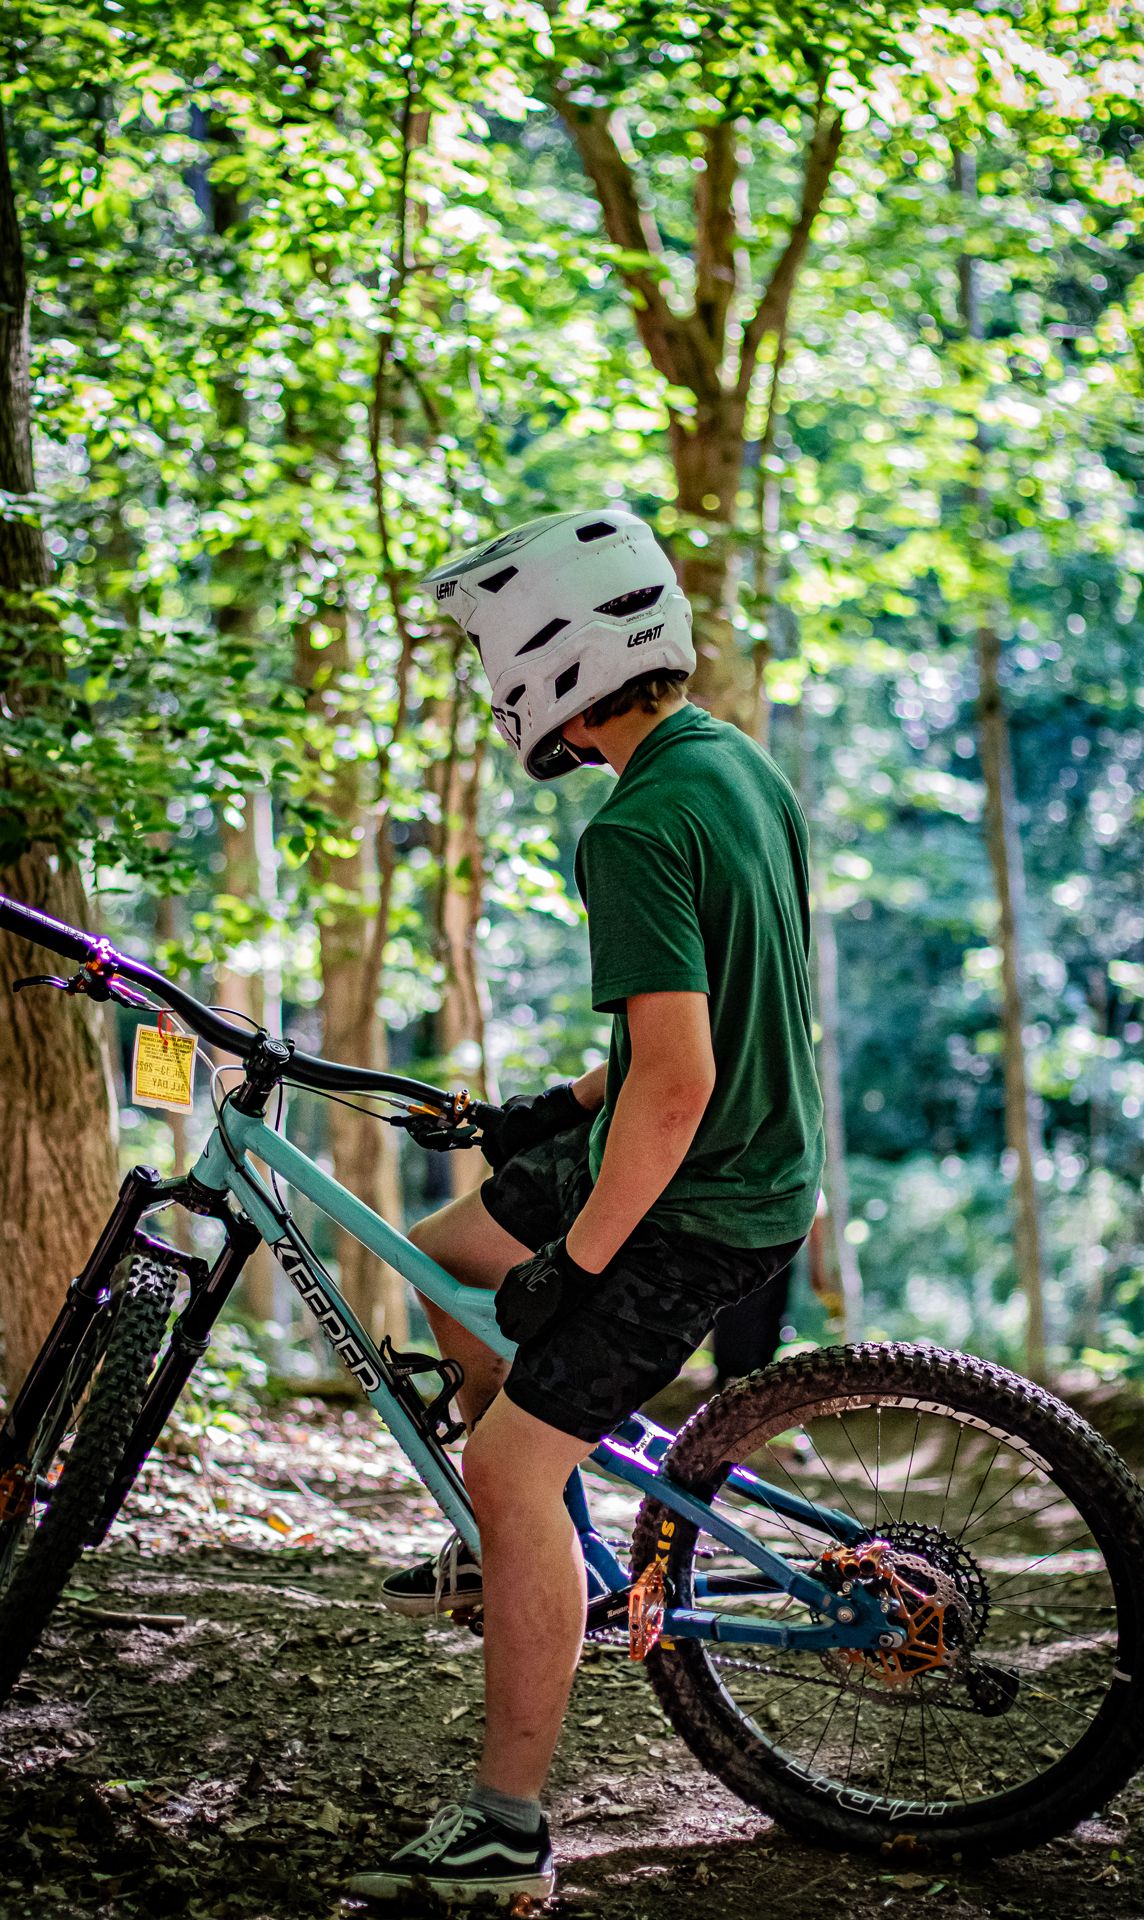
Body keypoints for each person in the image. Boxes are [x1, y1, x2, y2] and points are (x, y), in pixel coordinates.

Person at [349, 508, 824, 1909]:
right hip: (717, 1143)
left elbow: (677, 1087)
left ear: (549, 660)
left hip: (700, 1190)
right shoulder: (729, 763)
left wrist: (578, 1264)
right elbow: (703, 1016)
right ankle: (531, 1528)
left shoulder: (631, 827)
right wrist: (562, 1109)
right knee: (435, 1256)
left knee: (510, 1470)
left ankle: (506, 1830)